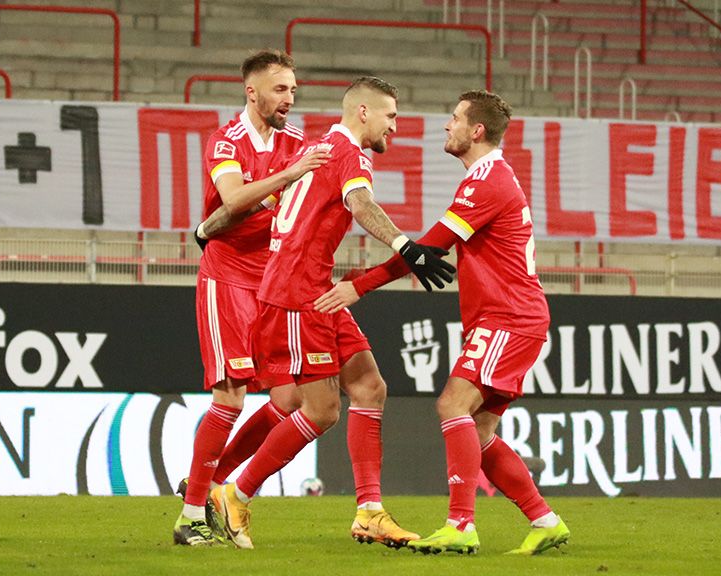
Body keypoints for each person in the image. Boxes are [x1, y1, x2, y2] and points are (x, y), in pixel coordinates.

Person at [315, 90, 570, 556]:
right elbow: (432, 250)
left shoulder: (487, 180)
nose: (445, 126)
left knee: (453, 405)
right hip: (511, 316)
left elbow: (430, 246)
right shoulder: (488, 178)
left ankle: (461, 524)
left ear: (476, 131)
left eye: (453, 119)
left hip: (508, 317)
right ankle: (544, 519)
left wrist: (359, 285)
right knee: (481, 432)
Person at [206, 76, 456, 550]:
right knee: (320, 411)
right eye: (391, 116)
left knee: (369, 387)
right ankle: (234, 495)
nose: (395, 128)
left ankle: (369, 511)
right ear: (363, 112)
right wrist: (405, 244)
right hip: (297, 294)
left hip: (313, 289)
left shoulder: (323, 146)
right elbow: (360, 204)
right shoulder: (348, 152)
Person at [173, 49, 331, 547]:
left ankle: (213, 482)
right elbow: (234, 199)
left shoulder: (296, 141)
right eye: (280, 89)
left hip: (275, 283)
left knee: (289, 399)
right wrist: (292, 173)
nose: (290, 97)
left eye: (293, 89)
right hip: (228, 277)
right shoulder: (228, 140)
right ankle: (191, 515)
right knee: (231, 395)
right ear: (252, 92)